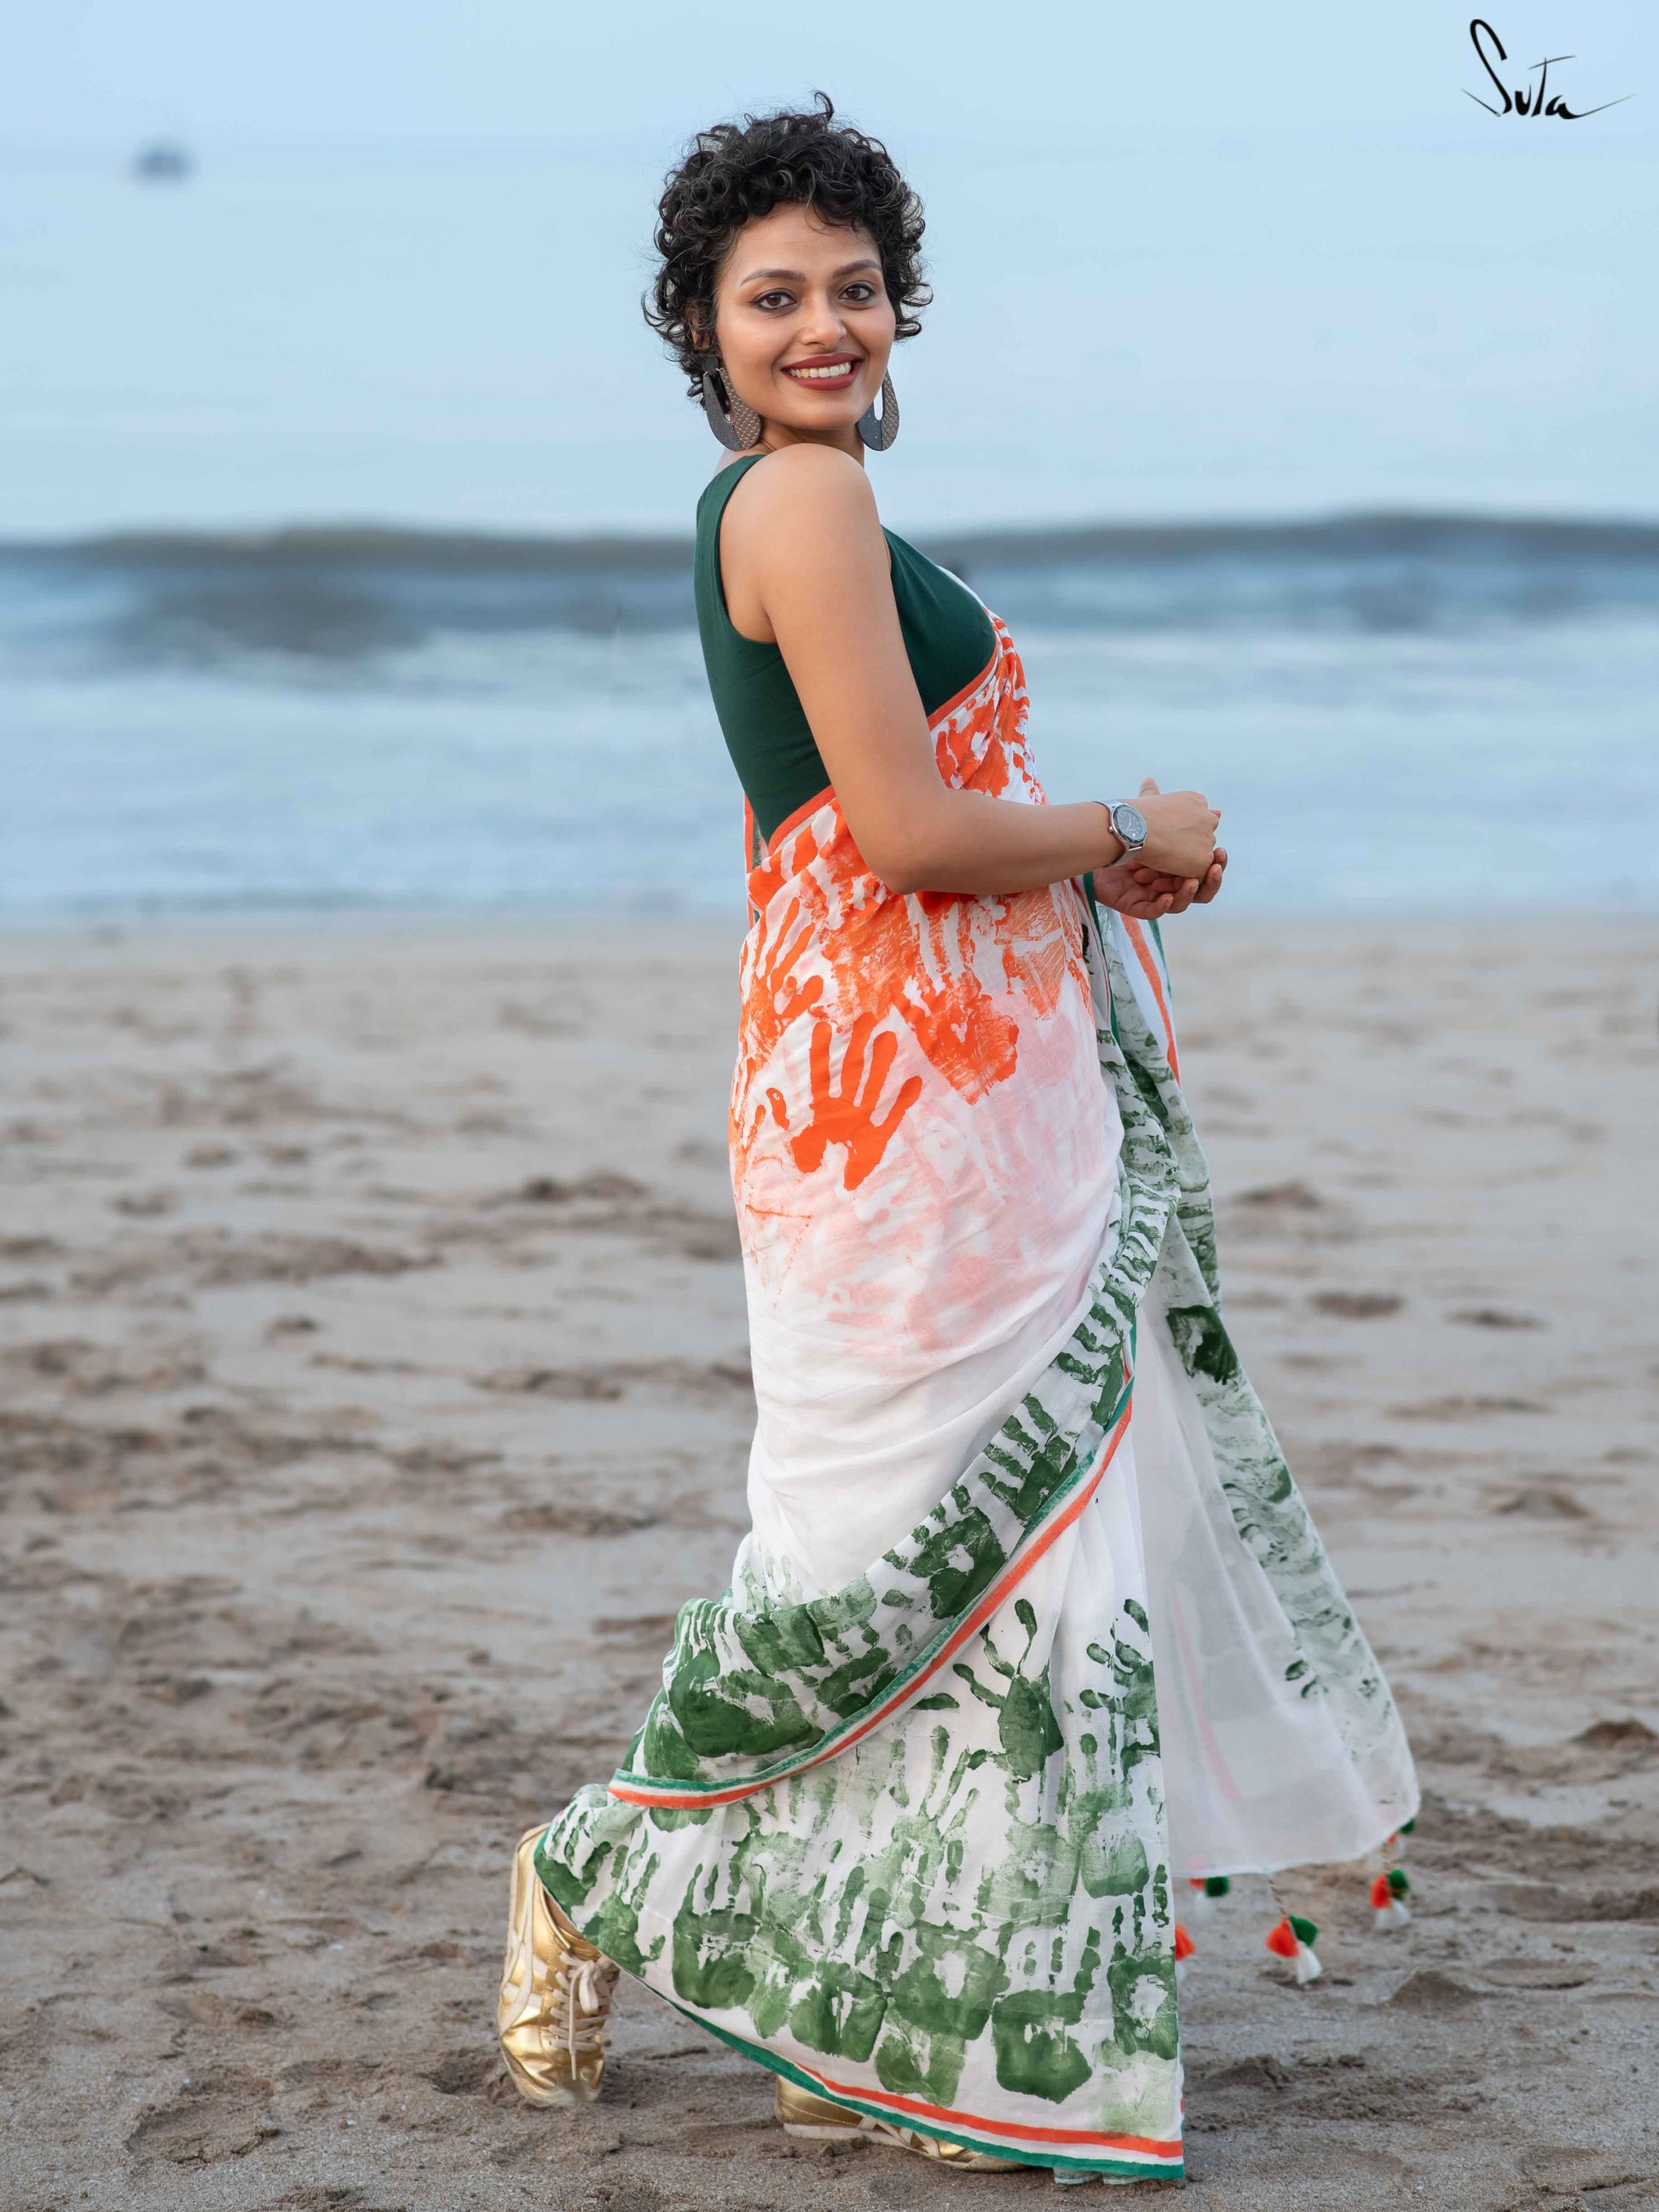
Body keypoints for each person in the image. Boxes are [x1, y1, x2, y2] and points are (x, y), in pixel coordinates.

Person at [498, 96, 1417, 2185]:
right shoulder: (796, 501)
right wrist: (1124, 821)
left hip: (963, 1083)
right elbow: (904, 834)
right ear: (704, 327)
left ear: (898, 304)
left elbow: (878, 821)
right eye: (773, 297)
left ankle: (934, 2020)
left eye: (853, 286)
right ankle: (583, 1864)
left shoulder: (817, 504)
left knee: (1015, 1566)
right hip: (890, 1111)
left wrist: (1090, 866)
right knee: (873, 1554)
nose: (823, 324)